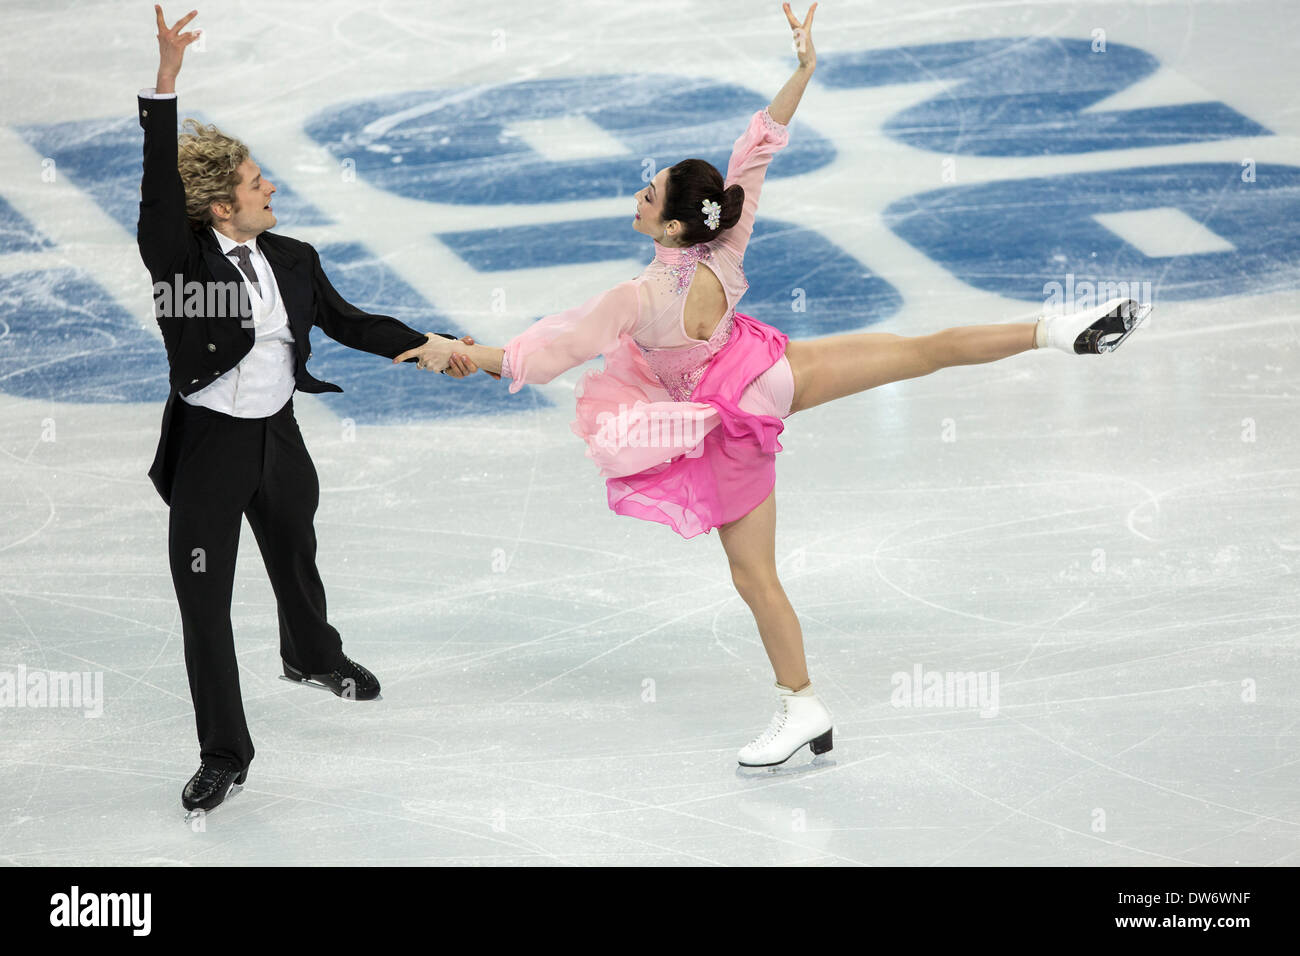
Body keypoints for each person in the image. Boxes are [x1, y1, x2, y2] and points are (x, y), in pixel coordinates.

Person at [397, 2, 1150, 767]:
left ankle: (802, 704)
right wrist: (803, 69)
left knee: (755, 576)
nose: (639, 195)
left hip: (730, 418)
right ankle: (1058, 330)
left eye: (648, 195)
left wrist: (452, 351)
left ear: (667, 230)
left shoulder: (638, 297)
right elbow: (754, 152)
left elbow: (543, 352)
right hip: (771, 374)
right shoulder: (726, 240)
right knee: (919, 351)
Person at [138, 6, 478, 812]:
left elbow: (350, 321)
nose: (272, 188)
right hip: (210, 452)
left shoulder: (292, 258)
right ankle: (224, 750)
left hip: (279, 440)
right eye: (259, 185)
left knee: (296, 550)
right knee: (205, 603)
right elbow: (158, 190)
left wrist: (428, 344)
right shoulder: (178, 259)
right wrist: (165, 84)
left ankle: (311, 654)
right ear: (223, 207)